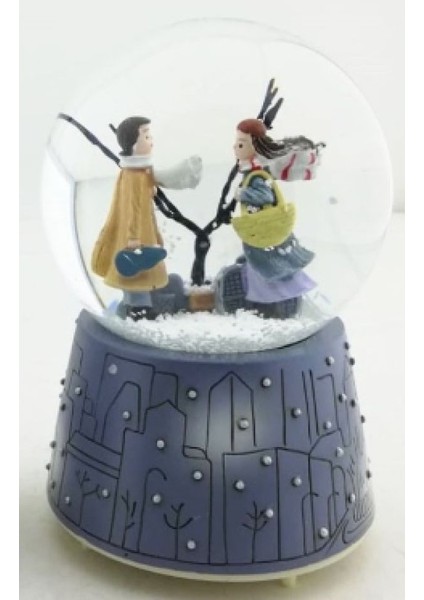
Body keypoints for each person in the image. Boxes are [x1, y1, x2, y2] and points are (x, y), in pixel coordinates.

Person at [91, 116, 202, 320]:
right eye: (146, 136)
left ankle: (133, 308)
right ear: (133, 143)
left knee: (138, 276)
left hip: (143, 233)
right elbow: (132, 208)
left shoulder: (140, 171)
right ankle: (139, 312)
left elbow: (148, 211)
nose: (152, 141)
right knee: (136, 277)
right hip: (135, 239)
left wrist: (156, 236)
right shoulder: (133, 176)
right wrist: (132, 238)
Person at [231, 118, 321, 317]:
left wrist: (242, 194)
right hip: (262, 231)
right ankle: (268, 300)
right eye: (236, 142)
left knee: (267, 268)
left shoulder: (256, 173)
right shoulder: (251, 169)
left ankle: (273, 303)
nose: (235, 147)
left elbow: (265, 196)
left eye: (241, 144)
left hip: (263, 232)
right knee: (263, 267)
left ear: (256, 147)